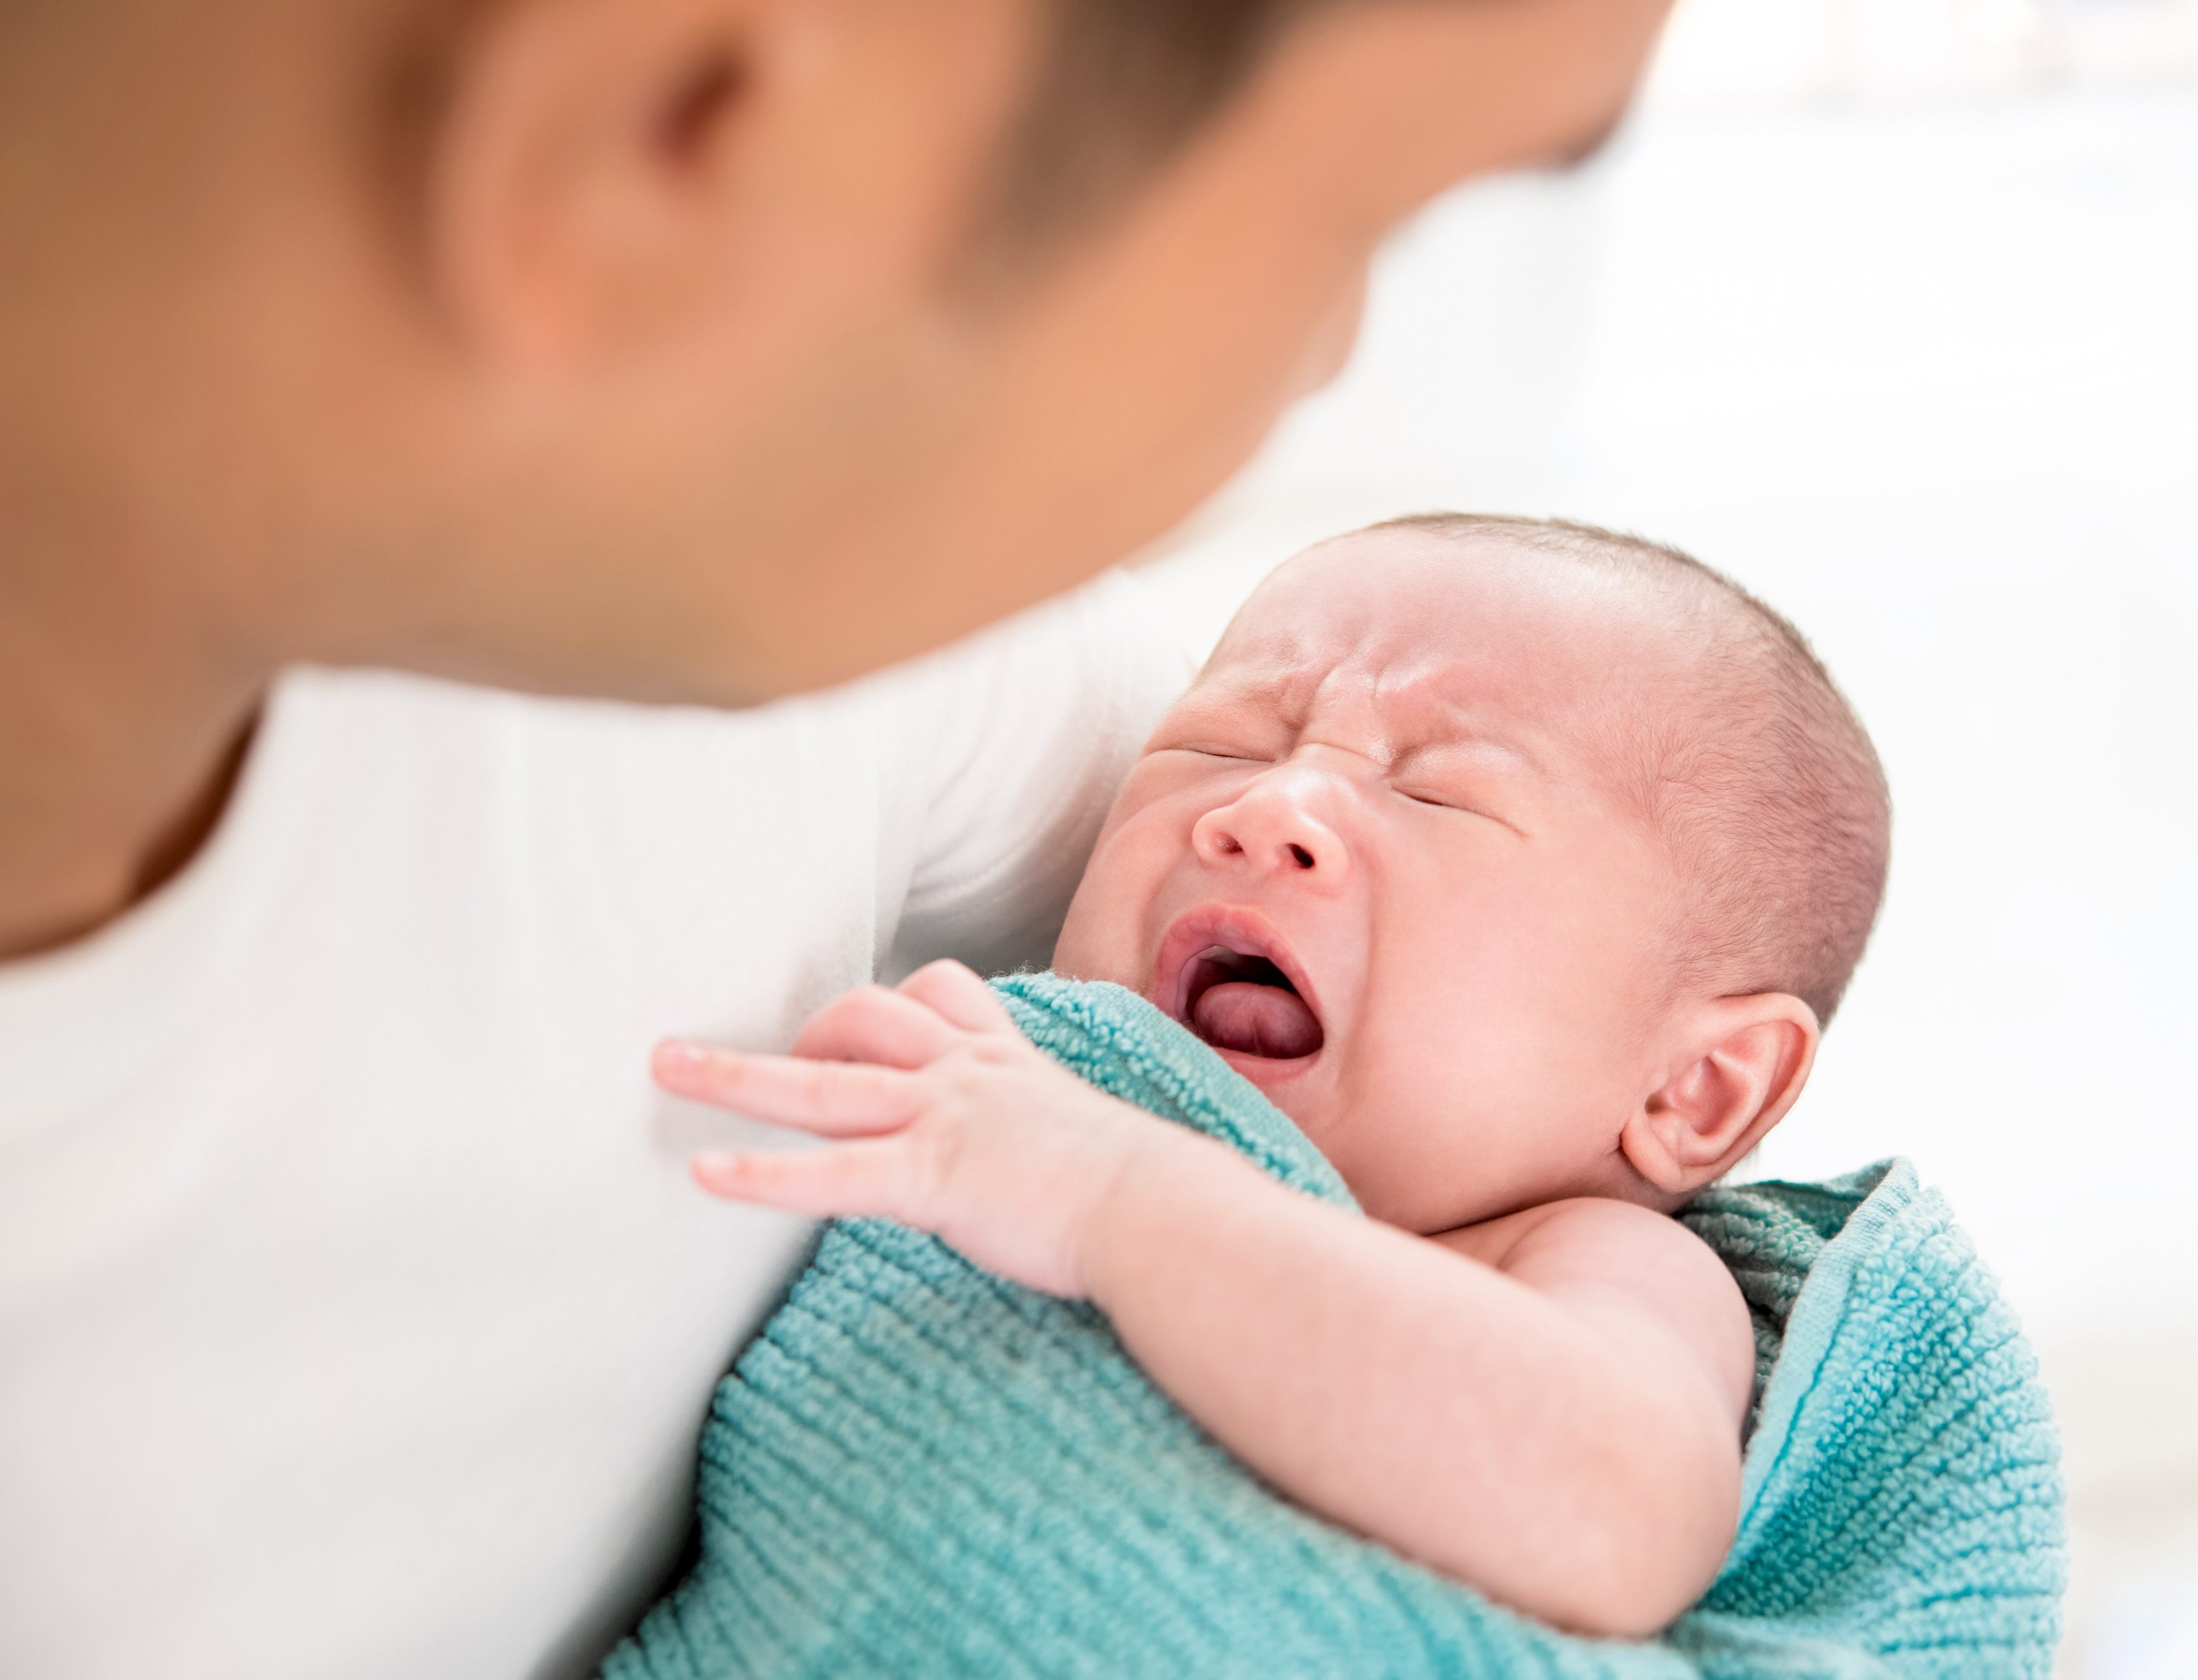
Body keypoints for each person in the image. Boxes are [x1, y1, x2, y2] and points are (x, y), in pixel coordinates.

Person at [0, 3, 1677, 1676]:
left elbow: (1561, 1035)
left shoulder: (855, 629)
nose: (1322, 363)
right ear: (669, 132)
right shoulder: (787, 586)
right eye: (1362, 216)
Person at [652, 515, 1893, 1638]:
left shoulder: (1579, 1261)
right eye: (1223, 738)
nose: (1267, 805)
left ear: (1697, 1091)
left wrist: (1111, 1196)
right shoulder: (1002, 1089)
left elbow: (1613, 1513)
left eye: (1438, 791)